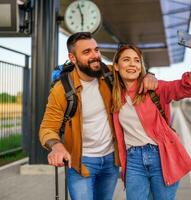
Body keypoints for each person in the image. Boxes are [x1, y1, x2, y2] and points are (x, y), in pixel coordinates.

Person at [39, 32, 158, 200]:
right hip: (81, 163)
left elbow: (132, 70)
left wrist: (149, 75)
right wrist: (56, 146)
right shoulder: (62, 90)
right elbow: (47, 128)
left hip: (110, 160)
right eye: (86, 52)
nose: (95, 56)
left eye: (96, 50)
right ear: (72, 58)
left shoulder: (110, 75)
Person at [111, 32, 191, 200]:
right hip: (133, 161)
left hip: (161, 156)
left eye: (136, 60)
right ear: (116, 66)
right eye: (126, 60)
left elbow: (183, 87)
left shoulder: (155, 88)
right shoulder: (114, 96)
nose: (132, 64)